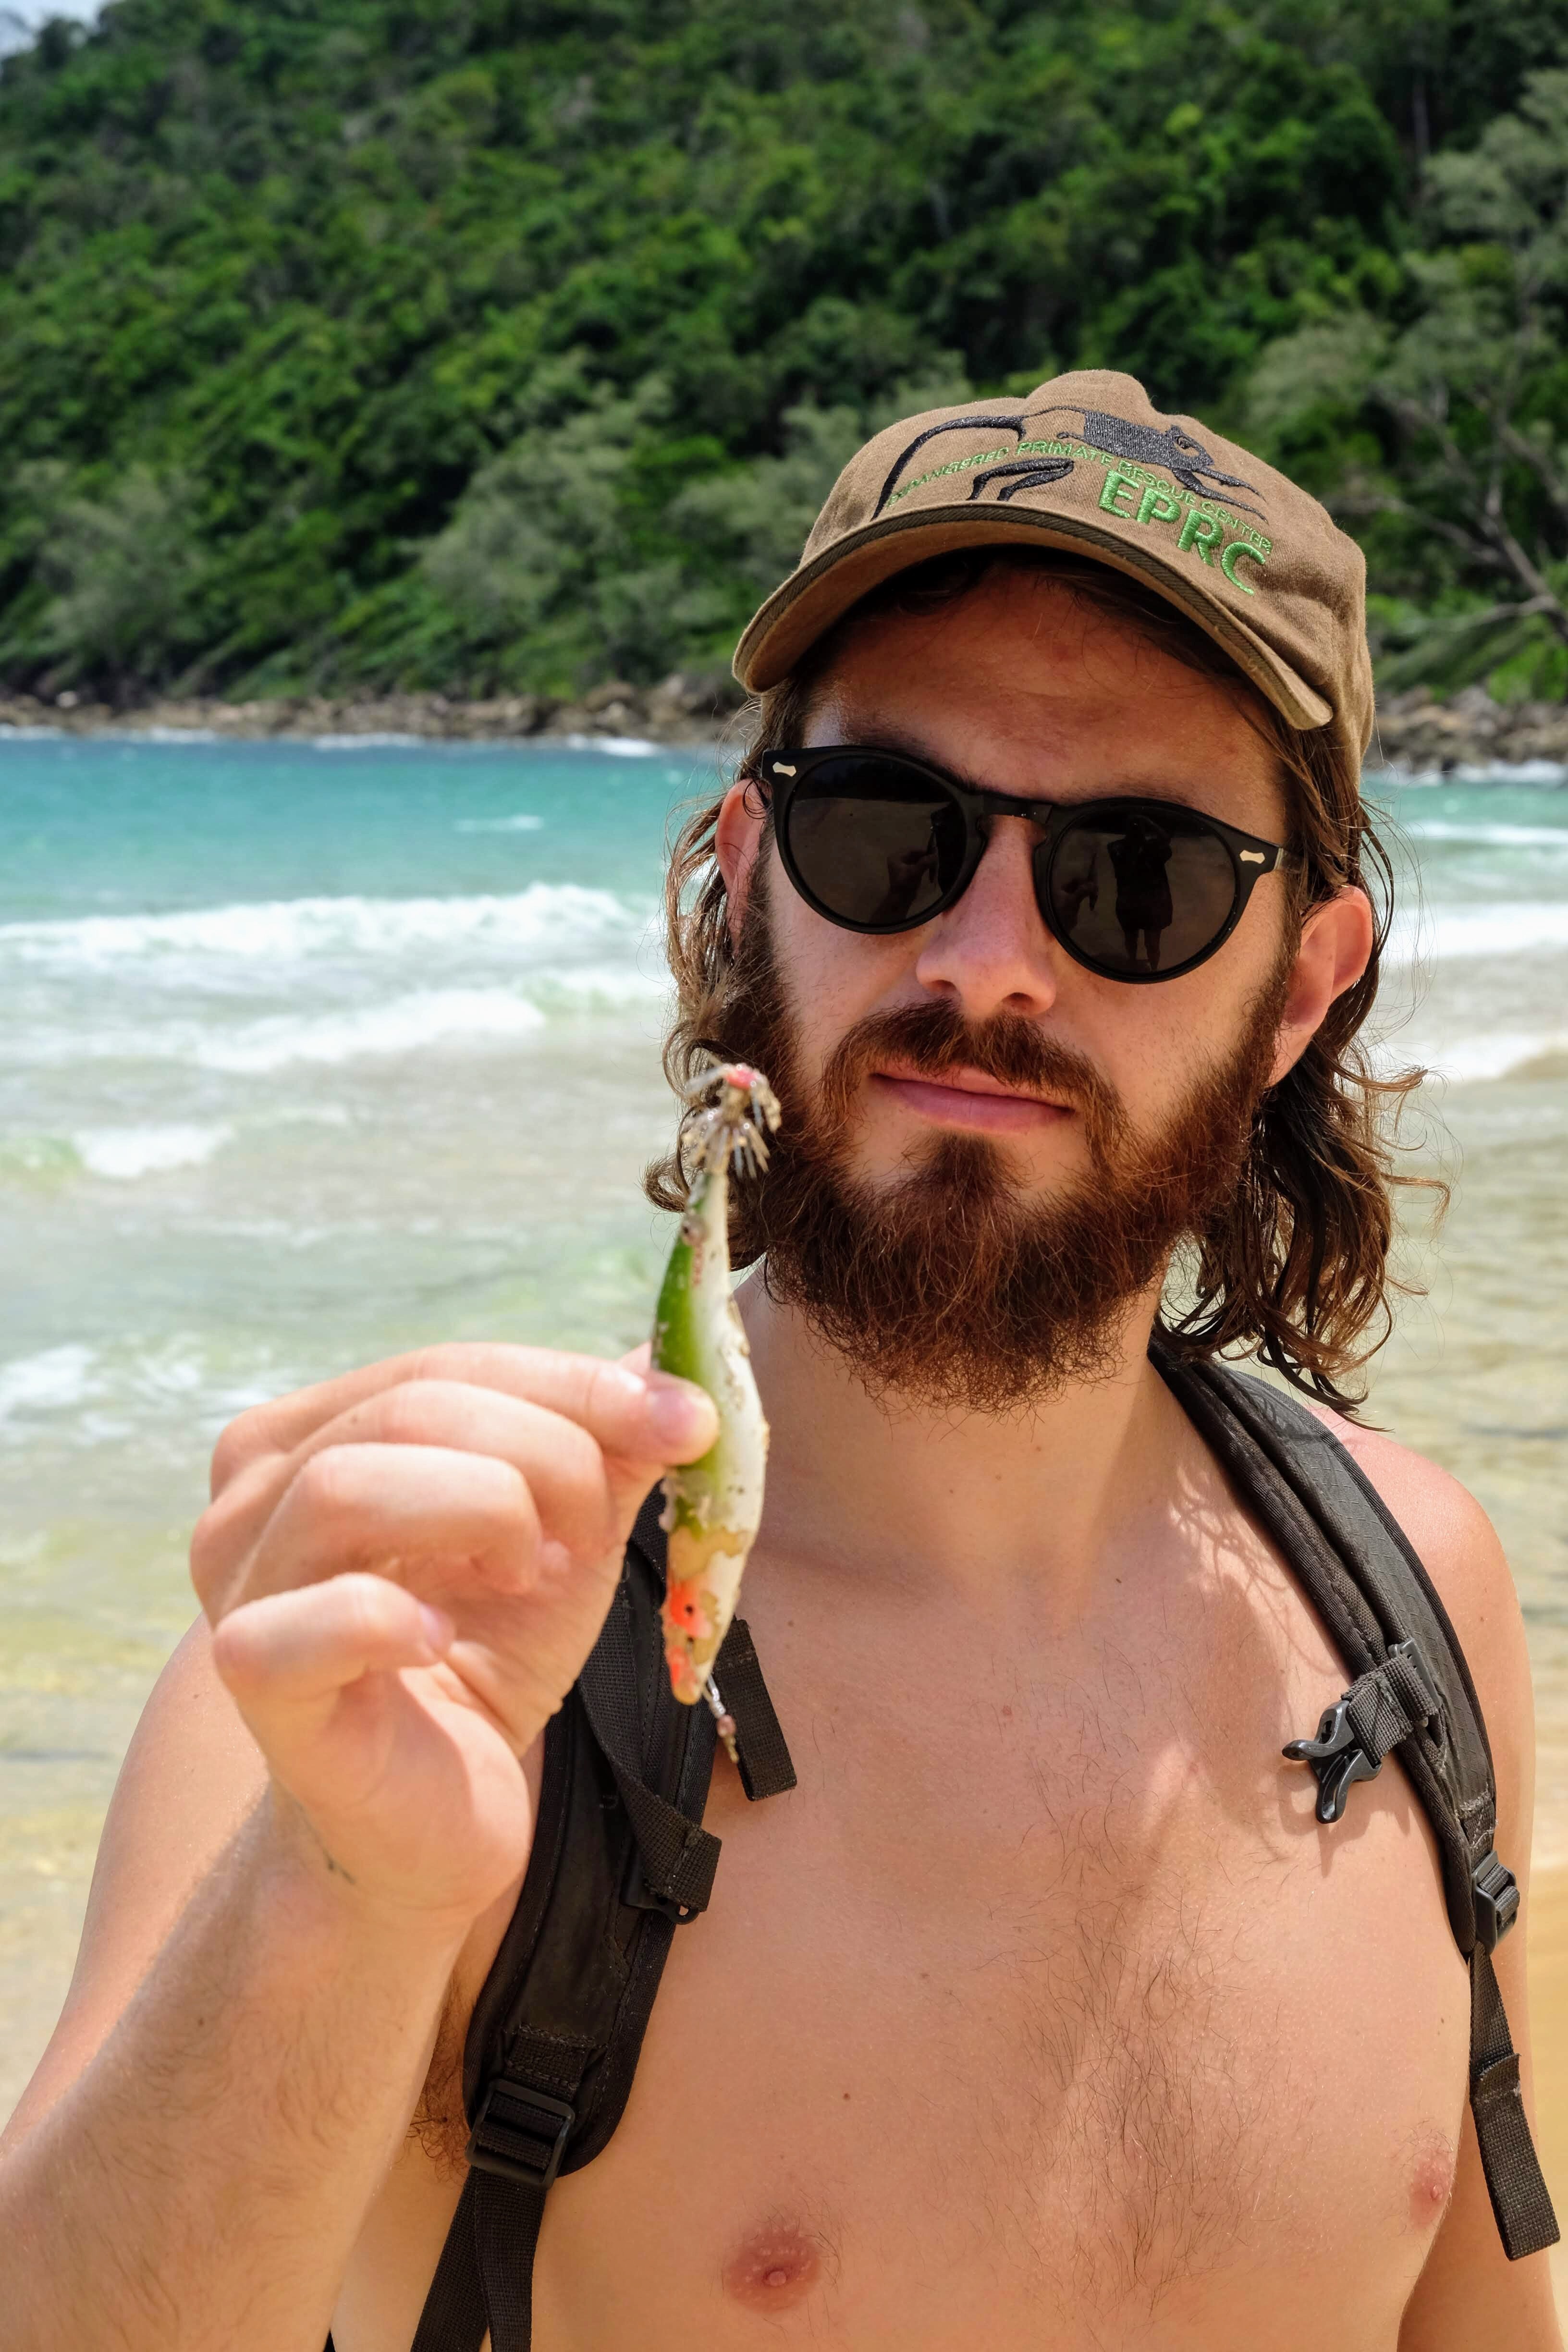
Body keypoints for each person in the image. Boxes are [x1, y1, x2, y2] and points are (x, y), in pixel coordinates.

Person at [1, 369, 1559, 2352]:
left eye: (1136, 882)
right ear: (752, 874)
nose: (991, 957)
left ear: (1297, 991)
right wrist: (346, 1891)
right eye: (891, 832)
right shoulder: (438, 1657)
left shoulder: (1413, 1604)